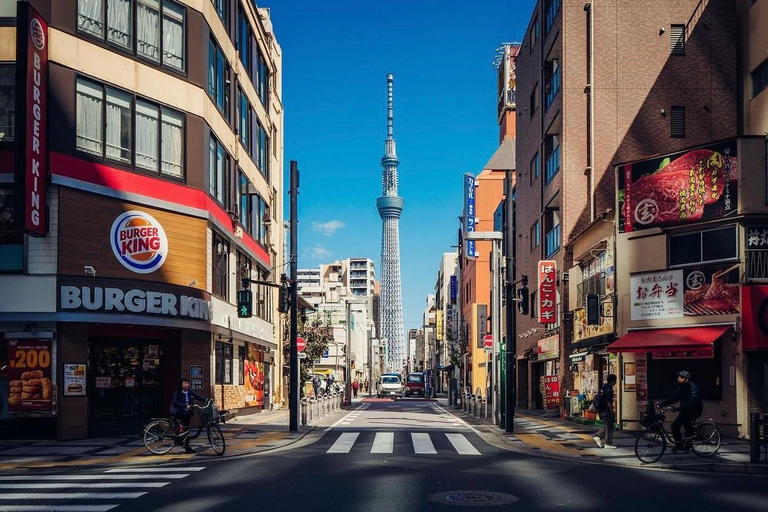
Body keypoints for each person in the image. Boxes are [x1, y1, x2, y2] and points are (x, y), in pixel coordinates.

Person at [658, 370, 703, 453]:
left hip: (695, 409)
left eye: (682, 378)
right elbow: (674, 398)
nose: (679, 379)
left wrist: (680, 408)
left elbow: (693, 401)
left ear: (687, 380)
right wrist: (662, 404)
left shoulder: (693, 388)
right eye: (678, 377)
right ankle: (679, 445)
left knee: (681, 422)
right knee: (675, 426)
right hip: (685, 409)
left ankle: (691, 435)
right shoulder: (681, 388)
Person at [169, 377, 206, 453]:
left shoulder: (190, 392)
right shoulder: (178, 392)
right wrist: (185, 406)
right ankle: (182, 437)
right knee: (186, 420)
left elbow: (198, 397)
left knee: (187, 420)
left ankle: (183, 438)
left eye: (188, 383)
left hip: (185, 411)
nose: (187, 385)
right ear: (181, 384)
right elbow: (175, 403)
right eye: (185, 383)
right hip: (176, 410)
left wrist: (208, 400)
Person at [593, 374, 618, 449]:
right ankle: (607, 443)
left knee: (607, 425)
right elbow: (609, 402)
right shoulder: (609, 389)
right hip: (606, 410)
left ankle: (598, 437)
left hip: (601, 409)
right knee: (609, 426)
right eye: (615, 380)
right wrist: (612, 411)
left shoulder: (604, 387)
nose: (616, 382)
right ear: (612, 381)